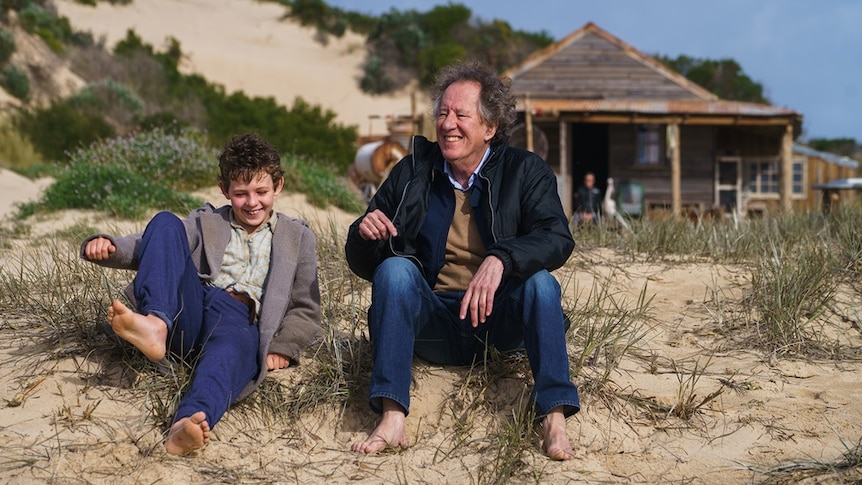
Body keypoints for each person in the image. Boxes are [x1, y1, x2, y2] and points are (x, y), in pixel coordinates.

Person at [344, 61, 580, 461]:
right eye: (442, 113)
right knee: (395, 270)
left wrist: (503, 257)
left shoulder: (526, 171)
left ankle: (553, 417)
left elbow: (557, 237)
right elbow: (363, 260)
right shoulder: (414, 170)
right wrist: (365, 234)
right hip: (431, 323)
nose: (447, 123)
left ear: (490, 128)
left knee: (541, 284)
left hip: (498, 328)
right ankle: (391, 414)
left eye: (460, 115)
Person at [80, 133, 321, 455]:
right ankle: (156, 324)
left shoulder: (298, 237)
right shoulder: (206, 220)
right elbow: (151, 245)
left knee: (228, 357)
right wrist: (110, 247)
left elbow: (306, 306)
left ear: (278, 186)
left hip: (239, 317)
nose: (252, 202)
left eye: (261, 192)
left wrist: (284, 346)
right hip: (191, 306)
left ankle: (187, 423)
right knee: (165, 223)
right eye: (240, 194)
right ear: (224, 191)